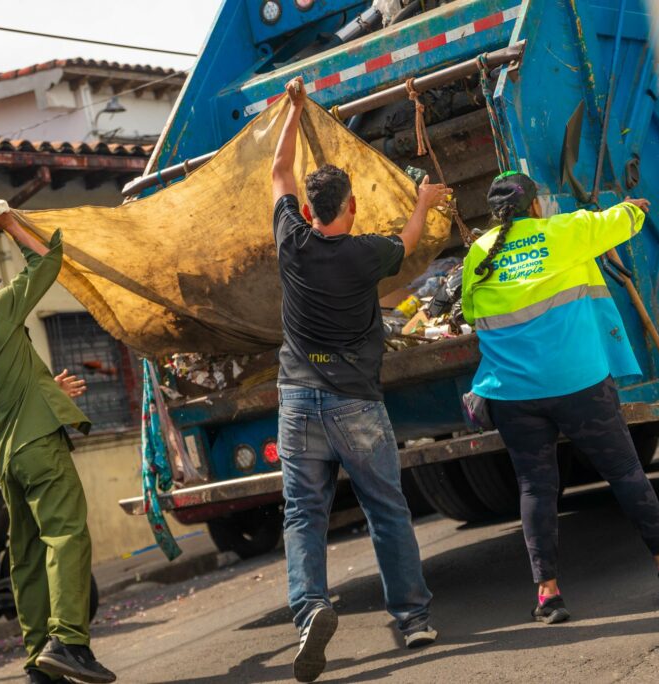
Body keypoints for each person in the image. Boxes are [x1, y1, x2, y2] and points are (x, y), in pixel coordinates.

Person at [460, 171, 659, 624]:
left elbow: (474, 316)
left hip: (512, 393)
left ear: (495, 214)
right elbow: (622, 220)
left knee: (536, 488)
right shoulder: (563, 231)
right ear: (535, 206)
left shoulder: (477, 254)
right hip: (579, 383)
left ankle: (548, 596)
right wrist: (634, 206)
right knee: (626, 472)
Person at [270, 76, 449, 683]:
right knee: (386, 509)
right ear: (349, 207)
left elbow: (278, 172)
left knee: (302, 513)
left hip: (297, 398)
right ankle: (413, 618)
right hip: (355, 403)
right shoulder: (368, 253)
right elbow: (410, 239)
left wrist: (293, 111)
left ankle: (311, 610)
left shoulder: (290, 243)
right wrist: (423, 202)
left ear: (307, 210)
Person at [0, 200, 115, 684]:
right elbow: (46, 262)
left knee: (30, 555)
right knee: (66, 536)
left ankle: (40, 660)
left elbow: (7, 392)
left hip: (9, 460)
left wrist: (46, 390)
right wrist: (9, 222)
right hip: (38, 448)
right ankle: (71, 642)